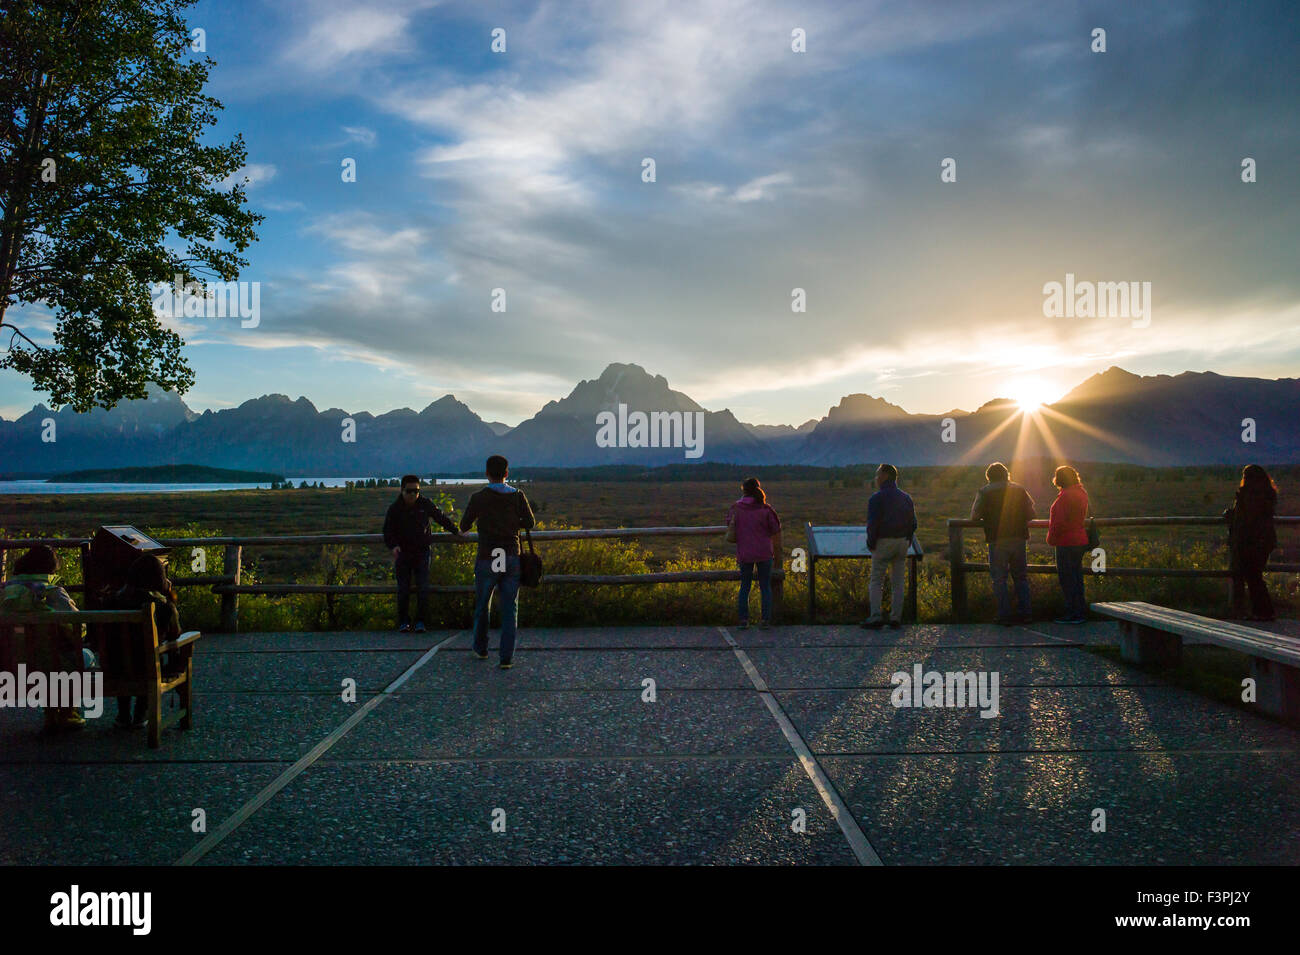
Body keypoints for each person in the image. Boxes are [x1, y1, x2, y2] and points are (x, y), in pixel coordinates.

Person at [458, 455, 536, 668]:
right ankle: (506, 658)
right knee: (510, 608)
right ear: (506, 473)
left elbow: (464, 526)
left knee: (483, 605)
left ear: (486, 473)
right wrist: (511, 522)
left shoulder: (478, 497)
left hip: (488, 556)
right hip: (511, 556)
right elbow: (530, 522)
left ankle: (481, 648)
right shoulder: (518, 496)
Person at [1, 545, 86, 732]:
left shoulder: (6, 592)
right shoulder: (53, 592)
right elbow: (76, 627)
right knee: (77, 656)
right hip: (51, 663)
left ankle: (51, 712)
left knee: (49, 660)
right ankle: (66, 711)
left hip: (12, 664)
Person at [107, 554, 182, 729]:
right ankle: (141, 714)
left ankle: (124, 714)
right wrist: (169, 598)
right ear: (159, 578)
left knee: (124, 655)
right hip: (147, 668)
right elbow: (175, 633)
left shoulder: (110, 601)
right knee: (148, 658)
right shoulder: (162, 606)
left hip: (114, 667)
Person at [383, 474, 461, 633]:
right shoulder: (394, 508)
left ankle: (421, 622)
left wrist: (456, 531)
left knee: (423, 588)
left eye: (416, 491)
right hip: (403, 553)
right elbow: (387, 531)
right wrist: (393, 546)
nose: (413, 494)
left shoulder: (425, 504)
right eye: (409, 491)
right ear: (402, 490)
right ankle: (403, 621)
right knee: (403, 589)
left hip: (422, 552)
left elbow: (441, 518)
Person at [970, 462, 1037, 625]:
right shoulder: (1020, 490)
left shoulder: (985, 492)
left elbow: (974, 516)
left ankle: (1004, 615)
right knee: (1021, 577)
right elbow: (1031, 513)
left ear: (989, 477)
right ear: (1007, 474)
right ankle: (1026, 613)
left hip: (997, 539)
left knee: (999, 578)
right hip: (1019, 538)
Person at [863, 464, 917, 629]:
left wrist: (871, 543)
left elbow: (873, 524)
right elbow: (913, 523)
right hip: (902, 542)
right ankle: (896, 617)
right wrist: (907, 539)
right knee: (898, 581)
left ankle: (875, 616)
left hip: (883, 542)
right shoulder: (906, 497)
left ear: (885, 476)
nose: (876, 478)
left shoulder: (876, 498)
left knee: (876, 580)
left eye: (877, 475)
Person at [726, 477, 783, 630]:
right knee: (765, 586)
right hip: (764, 552)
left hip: (745, 552)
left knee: (745, 586)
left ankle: (744, 620)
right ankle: (765, 620)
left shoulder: (736, 507)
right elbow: (775, 528)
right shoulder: (766, 509)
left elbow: (728, 522)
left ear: (744, 490)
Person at [1224, 465, 1277, 621]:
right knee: (1254, 575)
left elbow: (1247, 517)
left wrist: (1232, 514)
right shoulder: (1267, 494)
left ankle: (1263, 612)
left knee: (1252, 575)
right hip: (1263, 540)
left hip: (1251, 541)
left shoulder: (1249, 494)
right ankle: (1261, 611)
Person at [1046, 465, 1091, 624]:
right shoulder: (1081, 493)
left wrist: (1051, 538)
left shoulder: (1065, 496)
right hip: (1079, 540)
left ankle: (1073, 613)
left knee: (1067, 578)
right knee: (1076, 577)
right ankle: (1080, 611)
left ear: (1059, 479)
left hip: (1066, 541)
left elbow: (1059, 522)